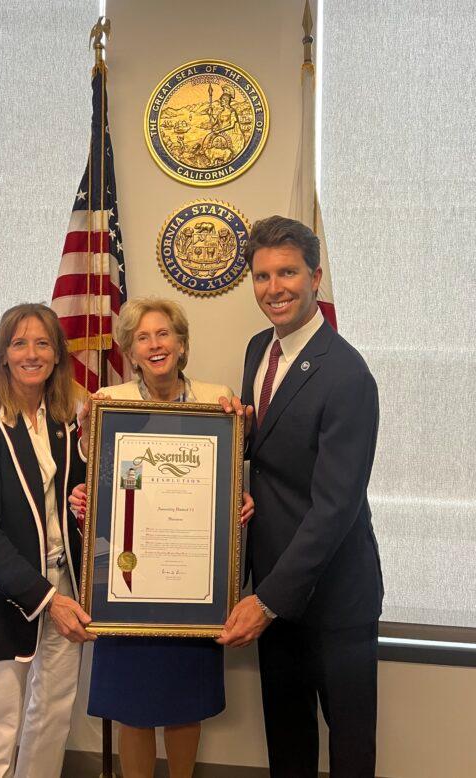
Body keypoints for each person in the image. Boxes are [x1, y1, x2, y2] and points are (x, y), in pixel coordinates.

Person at [218, 216, 384, 778]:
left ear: (315, 277)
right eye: (262, 276)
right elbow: (267, 453)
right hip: (275, 585)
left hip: (335, 596)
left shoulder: (347, 374)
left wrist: (265, 602)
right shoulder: (256, 350)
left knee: (350, 748)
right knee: (286, 740)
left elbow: (334, 508)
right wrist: (234, 430)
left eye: (287, 272)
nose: (274, 288)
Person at [72, 297, 254, 778]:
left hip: (192, 585)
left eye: (163, 334)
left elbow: (229, 488)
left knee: (183, 702)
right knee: (131, 706)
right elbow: (100, 491)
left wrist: (241, 500)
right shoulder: (108, 405)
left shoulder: (217, 401)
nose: (155, 345)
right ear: (130, 351)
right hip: (126, 582)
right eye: (142, 337)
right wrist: (85, 502)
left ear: (181, 343)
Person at [0, 303, 94, 778]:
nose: (31, 353)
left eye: (42, 343)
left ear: (56, 356)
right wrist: (48, 598)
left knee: (52, 718)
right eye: (19, 343)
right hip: (4, 593)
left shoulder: (63, 422)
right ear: (3, 355)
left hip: (66, 584)